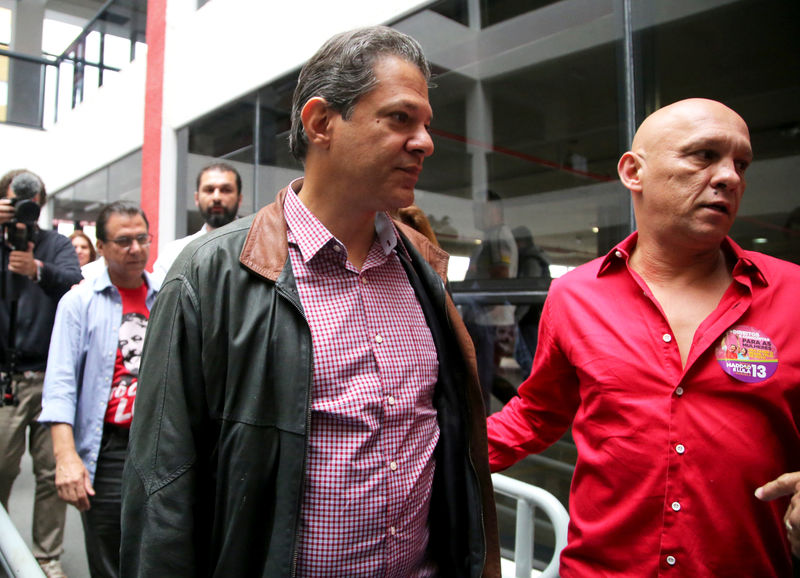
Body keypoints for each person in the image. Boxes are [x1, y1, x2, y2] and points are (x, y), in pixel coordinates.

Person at [120, 26, 499, 577]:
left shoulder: (422, 268)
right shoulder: (212, 274)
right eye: (400, 118)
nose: (425, 142)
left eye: (425, 125)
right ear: (322, 122)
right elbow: (163, 482)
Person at [486, 98, 800, 576]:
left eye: (741, 163)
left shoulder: (792, 294)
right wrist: (427, 456)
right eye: (703, 156)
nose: (730, 177)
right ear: (634, 172)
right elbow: (537, 414)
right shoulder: (575, 296)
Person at [40, 201, 159, 578]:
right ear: (101, 246)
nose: (135, 249)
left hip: (162, 447)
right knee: (111, 557)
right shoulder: (79, 302)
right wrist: (66, 458)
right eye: (123, 241)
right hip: (109, 453)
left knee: (161, 553)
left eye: (142, 238)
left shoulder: (167, 296)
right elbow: (60, 385)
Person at [0, 169, 82, 578]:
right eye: (16, 201)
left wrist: (36, 268)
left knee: (51, 476)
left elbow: (75, 282)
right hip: (6, 378)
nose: (25, 210)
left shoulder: (55, 244)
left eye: (32, 202)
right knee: (0, 467)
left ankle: (46, 558)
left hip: (50, 376)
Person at [463, 190, 518, 412]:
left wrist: (474, 299)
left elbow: (500, 277)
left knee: (482, 379)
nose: (476, 215)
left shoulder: (498, 237)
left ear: (494, 211)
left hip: (488, 322)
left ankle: (484, 430)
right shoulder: (490, 238)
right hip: (484, 320)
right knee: (485, 377)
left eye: (480, 210)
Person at [151, 162, 242, 281]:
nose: (216, 197)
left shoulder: (261, 250)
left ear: (239, 199)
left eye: (225, 190)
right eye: (209, 190)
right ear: (196, 198)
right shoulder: (174, 254)